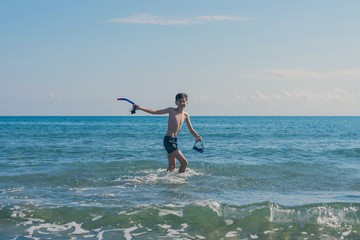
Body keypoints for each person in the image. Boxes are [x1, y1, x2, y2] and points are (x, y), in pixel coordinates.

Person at [134, 93, 202, 173]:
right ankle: (180, 181)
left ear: (186, 103)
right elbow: (155, 112)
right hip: (169, 141)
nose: (182, 103)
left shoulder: (186, 115)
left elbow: (191, 130)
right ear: (175, 103)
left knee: (172, 167)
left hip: (174, 141)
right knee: (184, 163)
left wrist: (197, 136)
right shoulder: (171, 110)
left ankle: (165, 181)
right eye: (180, 101)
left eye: (183, 101)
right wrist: (140, 108)